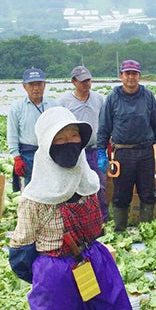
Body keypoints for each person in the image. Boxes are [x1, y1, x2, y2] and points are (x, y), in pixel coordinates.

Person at [7, 107, 141, 310]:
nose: (70, 143)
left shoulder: (90, 181)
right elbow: (21, 255)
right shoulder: (35, 198)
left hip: (93, 262)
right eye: (61, 138)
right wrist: (49, 274)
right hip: (54, 273)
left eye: (74, 136)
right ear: (46, 145)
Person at [96, 60, 156, 231]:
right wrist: (100, 151)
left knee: (148, 193)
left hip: (145, 152)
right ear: (121, 76)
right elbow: (104, 127)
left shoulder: (148, 96)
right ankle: (120, 229)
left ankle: (146, 229)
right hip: (122, 153)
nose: (130, 77)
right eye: (127, 73)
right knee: (121, 195)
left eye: (134, 73)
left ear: (139, 76)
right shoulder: (113, 98)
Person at [59, 66, 108, 222]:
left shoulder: (99, 99)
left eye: (88, 80)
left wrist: (106, 144)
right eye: (82, 81)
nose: (87, 84)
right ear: (74, 82)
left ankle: (102, 218)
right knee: (74, 185)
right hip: (74, 151)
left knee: (99, 184)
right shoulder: (64, 101)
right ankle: (77, 218)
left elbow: (105, 122)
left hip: (95, 149)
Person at [7, 68, 60, 192]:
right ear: (24, 86)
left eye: (39, 84)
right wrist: (16, 157)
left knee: (51, 188)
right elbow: (12, 134)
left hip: (51, 153)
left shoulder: (55, 105)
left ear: (45, 85)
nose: (36, 88)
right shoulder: (17, 107)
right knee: (30, 189)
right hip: (28, 154)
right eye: (31, 84)